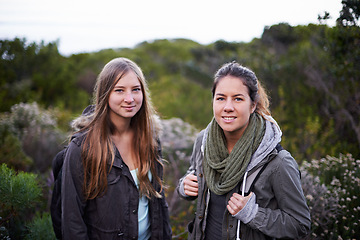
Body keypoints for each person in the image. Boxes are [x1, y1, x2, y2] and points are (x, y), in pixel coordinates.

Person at [177, 61, 311, 239]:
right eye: (221, 98)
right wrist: (183, 187)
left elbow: (300, 225)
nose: (228, 107)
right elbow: (193, 174)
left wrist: (253, 214)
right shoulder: (203, 141)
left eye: (238, 99)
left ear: (253, 104)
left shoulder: (277, 162)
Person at [61, 57, 172, 240]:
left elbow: (159, 204)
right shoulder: (82, 148)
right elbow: (72, 221)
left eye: (135, 90)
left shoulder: (150, 139)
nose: (129, 99)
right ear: (105, 94)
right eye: (119, 90)